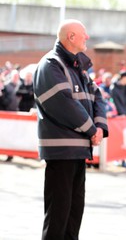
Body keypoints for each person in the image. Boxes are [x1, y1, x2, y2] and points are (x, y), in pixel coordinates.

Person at [33, 19, 109, 240]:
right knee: (58, 215)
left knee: (74, 214)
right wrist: (91, 130)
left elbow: (98, 96)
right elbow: (62, 103)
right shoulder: (51, 64)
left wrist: (100, 127)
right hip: (61, 151)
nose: (87, 37)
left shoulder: (78, 68)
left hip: (77, 150)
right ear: (71, 37)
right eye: (83, 33)